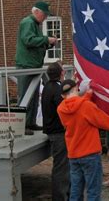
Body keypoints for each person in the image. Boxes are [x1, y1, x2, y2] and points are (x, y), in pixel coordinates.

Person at [57, 79, 109, 201]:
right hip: (90, 154)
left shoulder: (60, 109)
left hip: (73, 155)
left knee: (76, 190)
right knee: (93, 191)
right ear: (76, 88)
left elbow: (77, 107)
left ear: (62, 95)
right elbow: (104, 121)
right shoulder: (86, 106)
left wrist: (87, 95)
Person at [15, 1, 57, 135]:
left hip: (34, 65)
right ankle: (22, 126)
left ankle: (31, 122)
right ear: (37, 12)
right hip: (26, 65)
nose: (45, 17)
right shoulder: (28, 22)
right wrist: (46, 40)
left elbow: (35, 43)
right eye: (44, 14)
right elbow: (28, 40)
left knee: (33, 96)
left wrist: (48, 43)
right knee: (25, 95)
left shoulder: (35, 24)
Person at [41, 62, 69, 201]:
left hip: (51, 130)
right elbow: (64, 110)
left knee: (61, 166)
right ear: (61, 73)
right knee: (61, 167)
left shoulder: (47, 86)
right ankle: (60, 197)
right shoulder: (58, 90)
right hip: (58, 132)